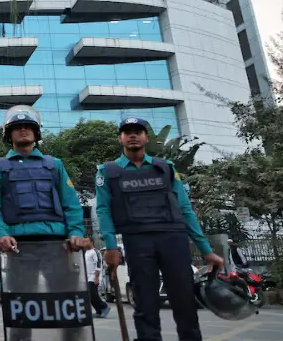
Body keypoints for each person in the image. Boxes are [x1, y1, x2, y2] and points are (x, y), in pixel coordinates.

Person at [96, 117, 224, 341]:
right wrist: (109, 246)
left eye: (138, 131)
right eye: (128, 132)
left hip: (173, 238)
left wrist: (205, 249)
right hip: (136, 240)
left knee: (184, 301)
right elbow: (103, 210)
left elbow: (185, 208)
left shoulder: (166, 168)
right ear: (121, 138)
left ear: (146, 137)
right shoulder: (107, 171)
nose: (133, 135)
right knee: (144, 302)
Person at [0, 106, 89, 340]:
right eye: (17, 128)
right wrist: (1, 234)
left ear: (36, 132)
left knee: (67, 305)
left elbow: (71, 204)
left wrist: (75, 232)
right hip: (19, 247)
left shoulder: (54, 165)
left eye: (28, 127)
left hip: (59, 245)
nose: (23, 130)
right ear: (8, 135)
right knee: (21, 307)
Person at [85, 246, 111, 318]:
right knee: (89, 296)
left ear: (91, 242)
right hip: (87, 277)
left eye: (86, 242)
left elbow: (98, 264)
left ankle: (104, 307)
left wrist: (96, 277)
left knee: (93, 294)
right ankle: (99, 311)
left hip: (94, 276)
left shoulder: (95, 251)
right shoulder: (86, 252)